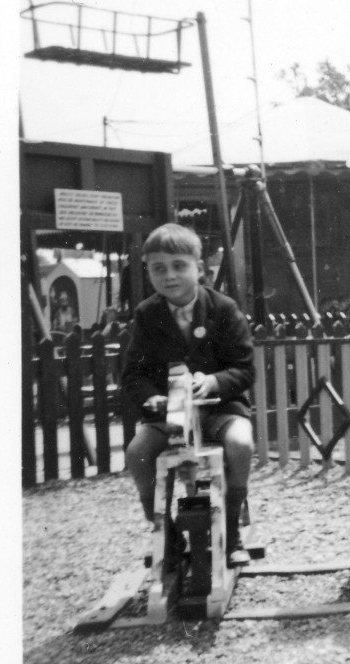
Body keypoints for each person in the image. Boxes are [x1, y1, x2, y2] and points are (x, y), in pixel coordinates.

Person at [121, 223, 255, 567]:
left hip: (220, 408)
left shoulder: (223, 309)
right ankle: (163, 531)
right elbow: (133, 373)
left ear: (199, 268)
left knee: (240, 444)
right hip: (170, 414)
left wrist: (213, 381)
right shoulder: (147, 315)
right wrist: (152, 398)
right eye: (158, 268)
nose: (169, 276)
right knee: (138, 452)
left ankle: (232, 530)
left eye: (179, 266)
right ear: (148, 270)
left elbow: (244, 368)